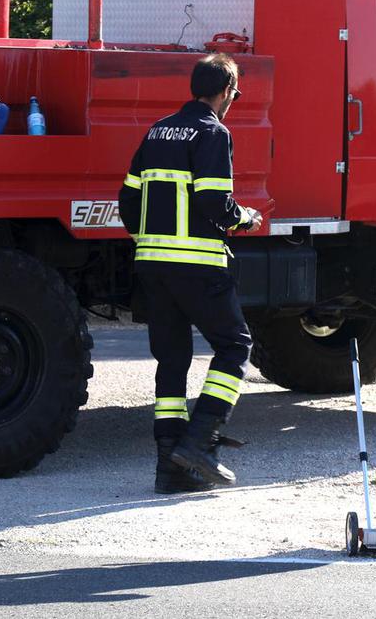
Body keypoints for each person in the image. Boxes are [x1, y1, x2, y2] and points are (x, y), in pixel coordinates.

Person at [118, 53, 264, 493]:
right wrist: (246, 218)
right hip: (197, 262)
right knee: (235, 346)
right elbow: (214, 203)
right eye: (234, 94)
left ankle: (170, 467)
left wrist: (152, 241)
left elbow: (128, 202)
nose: (232, 102)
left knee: (173, 359)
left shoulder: (157, 129)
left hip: (152, 264)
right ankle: (201, 441)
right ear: (224, 92)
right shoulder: (213, 132)